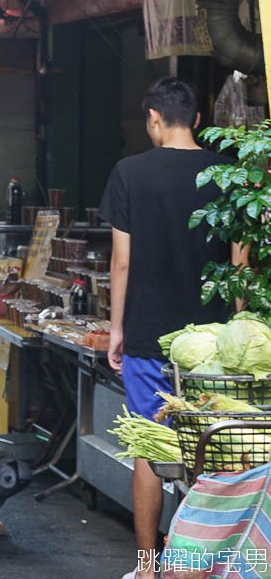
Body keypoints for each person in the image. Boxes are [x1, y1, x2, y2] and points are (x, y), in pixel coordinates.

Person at [98, 77, 242, 579]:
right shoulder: (228, 172)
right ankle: (197, 562)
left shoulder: (129, 172)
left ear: (154, 119)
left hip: (147, 332)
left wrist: (116, 328)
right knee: (214, 446)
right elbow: (240, 264)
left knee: (149, 446)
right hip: (213, 341)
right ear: (198, 120)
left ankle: (146, 565)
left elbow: (121, 262)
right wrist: (239, 324)